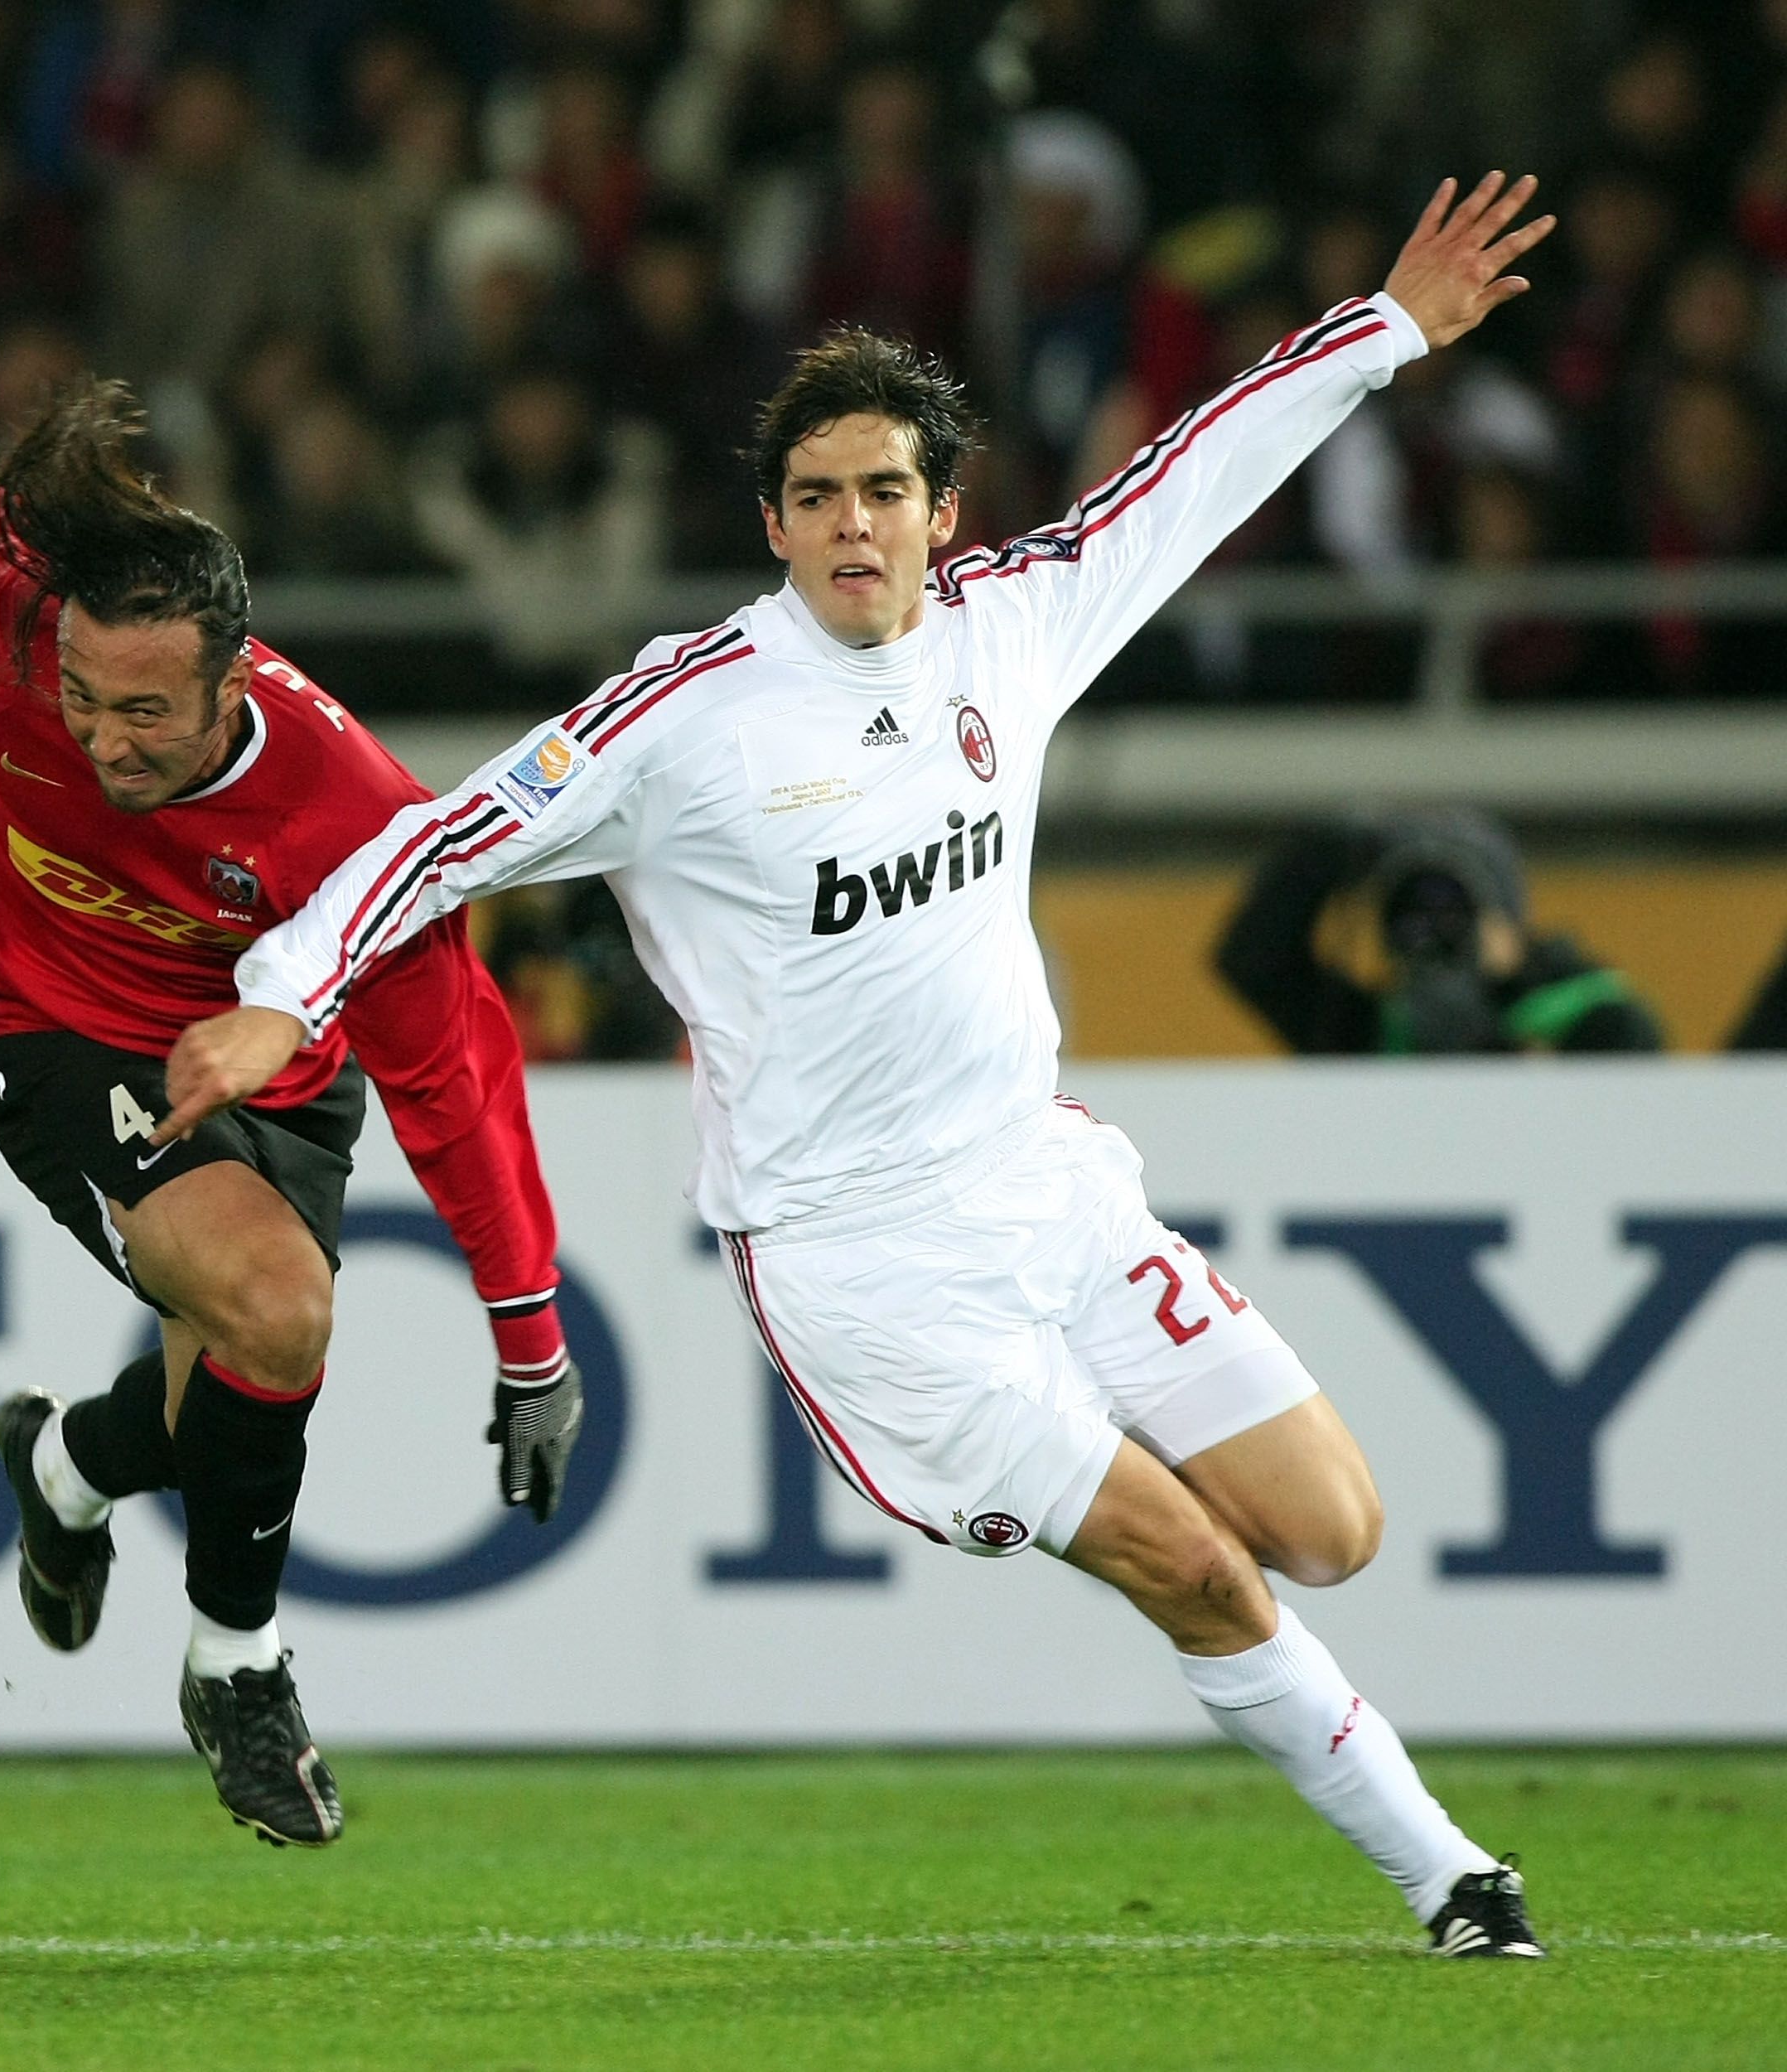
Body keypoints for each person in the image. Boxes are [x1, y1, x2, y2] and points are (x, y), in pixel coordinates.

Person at [162, 173, 1560, 1955]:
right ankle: (1454, 1874)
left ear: (937, 510)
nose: (853, 522)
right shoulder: (680, 718)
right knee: (1195, 1564)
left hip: (1047, 1183)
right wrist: (291, 984)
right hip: (859, 1259)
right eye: (815, 495)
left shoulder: (1018, 622)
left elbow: (1196, 474)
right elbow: (449, 837)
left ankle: (1368, 1770)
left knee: (1330, 1527)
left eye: (884, 489)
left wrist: (1385, 329)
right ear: (772, 522)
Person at [0, 381, 581, 1848]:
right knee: (280, 1312)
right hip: (55, 1032)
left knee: (224, 1386)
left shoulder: (351, 825)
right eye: (83, 698)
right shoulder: (8, 619)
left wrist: (532, 1343)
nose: (102, 739)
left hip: (279, 1071)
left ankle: (65, 1467)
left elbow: (458, 1081)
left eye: (146, 711)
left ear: (236, 680)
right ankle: (238, 1666)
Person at [1215, 810, 1663, 1055]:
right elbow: (1253, 962)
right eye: (1407, 908)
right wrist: (1329, 852)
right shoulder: (1372, 1032)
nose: (1429, 926)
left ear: (1506, 917)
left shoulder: (1595, 1019)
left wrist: (1507, 1000)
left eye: (1454, 908)